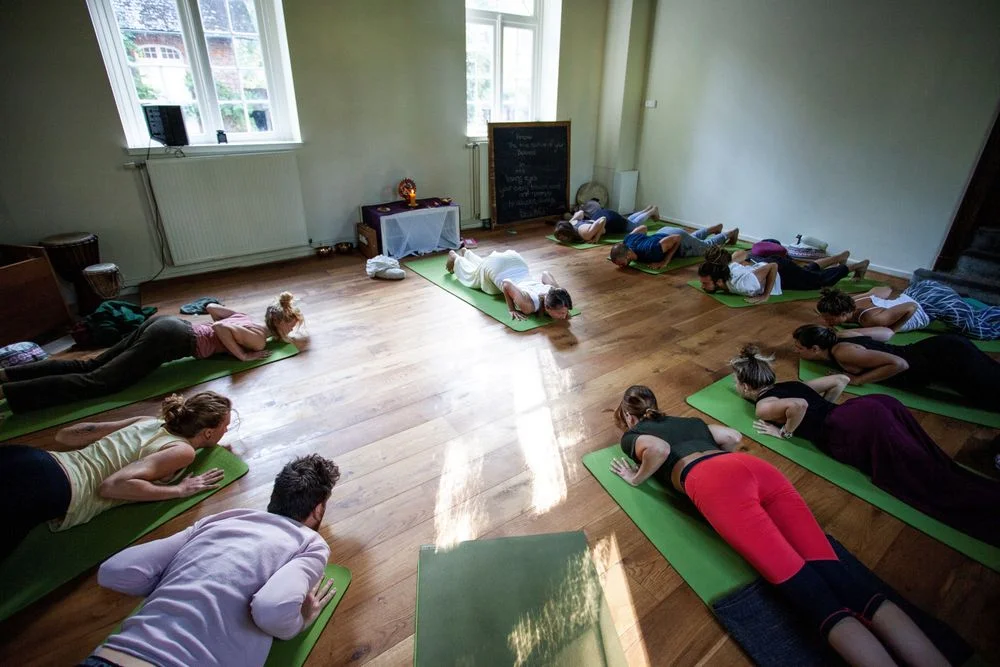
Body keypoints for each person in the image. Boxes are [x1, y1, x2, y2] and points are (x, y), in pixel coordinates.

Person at [610, 385, 949, 667]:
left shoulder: (634, 434)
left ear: (629, 417)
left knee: (813, 596)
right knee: (844, 579)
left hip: (714, 484)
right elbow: (731, 436)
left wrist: (635, 477)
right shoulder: (690, 421)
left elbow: (657, 448)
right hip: (754, 468)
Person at [82, 454, 341, 667]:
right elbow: (271, 610)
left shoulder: (222, 519)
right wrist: (301, 621)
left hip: (106, 657)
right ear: (318, 509)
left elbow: (115, 570)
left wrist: (183, 580)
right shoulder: (310, 543)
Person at [731, 343, 1000, 546]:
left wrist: (785, 433)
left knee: (925, 479)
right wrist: (826, 410)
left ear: (744, 386)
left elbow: (798, 406)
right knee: (929, 463)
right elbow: (840, 380)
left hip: (855, 426)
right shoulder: (791, 384)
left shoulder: (764, 406)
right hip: (869, 407)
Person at [0, 392, 233, 562]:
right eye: (226, 426)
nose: (226, 431)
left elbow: (65, 436)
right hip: (52, 487)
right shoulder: (183, 451)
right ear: (208, 432)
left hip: (31, 458)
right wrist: (179, 490)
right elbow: (112, 487)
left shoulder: (148, 422)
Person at [0, 292, 304, 414]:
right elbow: (222, 329)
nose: (292, 331)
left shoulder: (248, 318)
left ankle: (9, 375)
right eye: (292, 325)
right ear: (279, 322)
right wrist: (242, 356)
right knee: (99, 382)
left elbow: (212, 308)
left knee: (91, 364)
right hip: (171, 340)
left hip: (169, 324)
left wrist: (222, 339)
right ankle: (13, 394)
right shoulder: (259, 341)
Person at [792, 324, 1000, 411]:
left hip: (943, 360)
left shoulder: (843, 352)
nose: (796, 351)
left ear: (816, 349)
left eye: (800, 348)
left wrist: (857, 380)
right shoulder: (842, 335)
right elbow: (887, 332)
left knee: (992, 398)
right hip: (942, 347)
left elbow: (900, 364)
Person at [817, 281, 1000, 339]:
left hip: (934, 304)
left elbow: (911, 307)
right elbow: (885, 289)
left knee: (982, 331)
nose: (826, 321)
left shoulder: (872, 319)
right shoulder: (855, 301)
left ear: (844, 313)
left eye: (829, 318)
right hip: (920, 290)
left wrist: (893, 330)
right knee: (976, 315)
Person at [698, 247, 869, 305]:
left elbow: (773, 267)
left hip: (779, 270)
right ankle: (840, 257)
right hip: (769, 266)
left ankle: (857, 266)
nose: (702, 286)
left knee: (819, 281)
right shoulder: (722, 268)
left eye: (705, 283)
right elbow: (740, 253)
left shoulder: (743, 285)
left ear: (718, 280)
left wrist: (765, 295)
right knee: (807, 271)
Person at [446, 248, 572, 322]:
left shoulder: (553, 292)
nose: (564, 316)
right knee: (473, 278)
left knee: (483, 272)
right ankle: (455, 258)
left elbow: (545, 274)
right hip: (499, 267)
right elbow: (506, 284)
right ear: (548, 307)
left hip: (517, 261)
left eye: (564, 312)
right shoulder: (528, 306)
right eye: (561, 313)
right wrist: (512, 309)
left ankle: (467, 253)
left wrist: (559, 292)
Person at [609, 223, 739, 270]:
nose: (620, 265)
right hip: (664, 232)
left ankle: (730, 233)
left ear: (628, 254)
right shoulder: (627, 241)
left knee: (706, 247)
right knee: (693, 239)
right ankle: (715, 228)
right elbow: (643, 228)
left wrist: (665, 261)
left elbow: (677, 238)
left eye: (620, 263)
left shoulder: (651, 250)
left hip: (676, 239)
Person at [552, 202, 659, 244]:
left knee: (633, 226)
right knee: (628, 221)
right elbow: (580, 213)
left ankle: (651, 211)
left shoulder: (585, 234)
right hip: (599, 214)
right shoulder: (571, 222)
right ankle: (647, 209)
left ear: (568, 233)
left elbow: (603, 220)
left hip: (608, 219)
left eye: (562, 237)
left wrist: (596, 238)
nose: (561, 239)